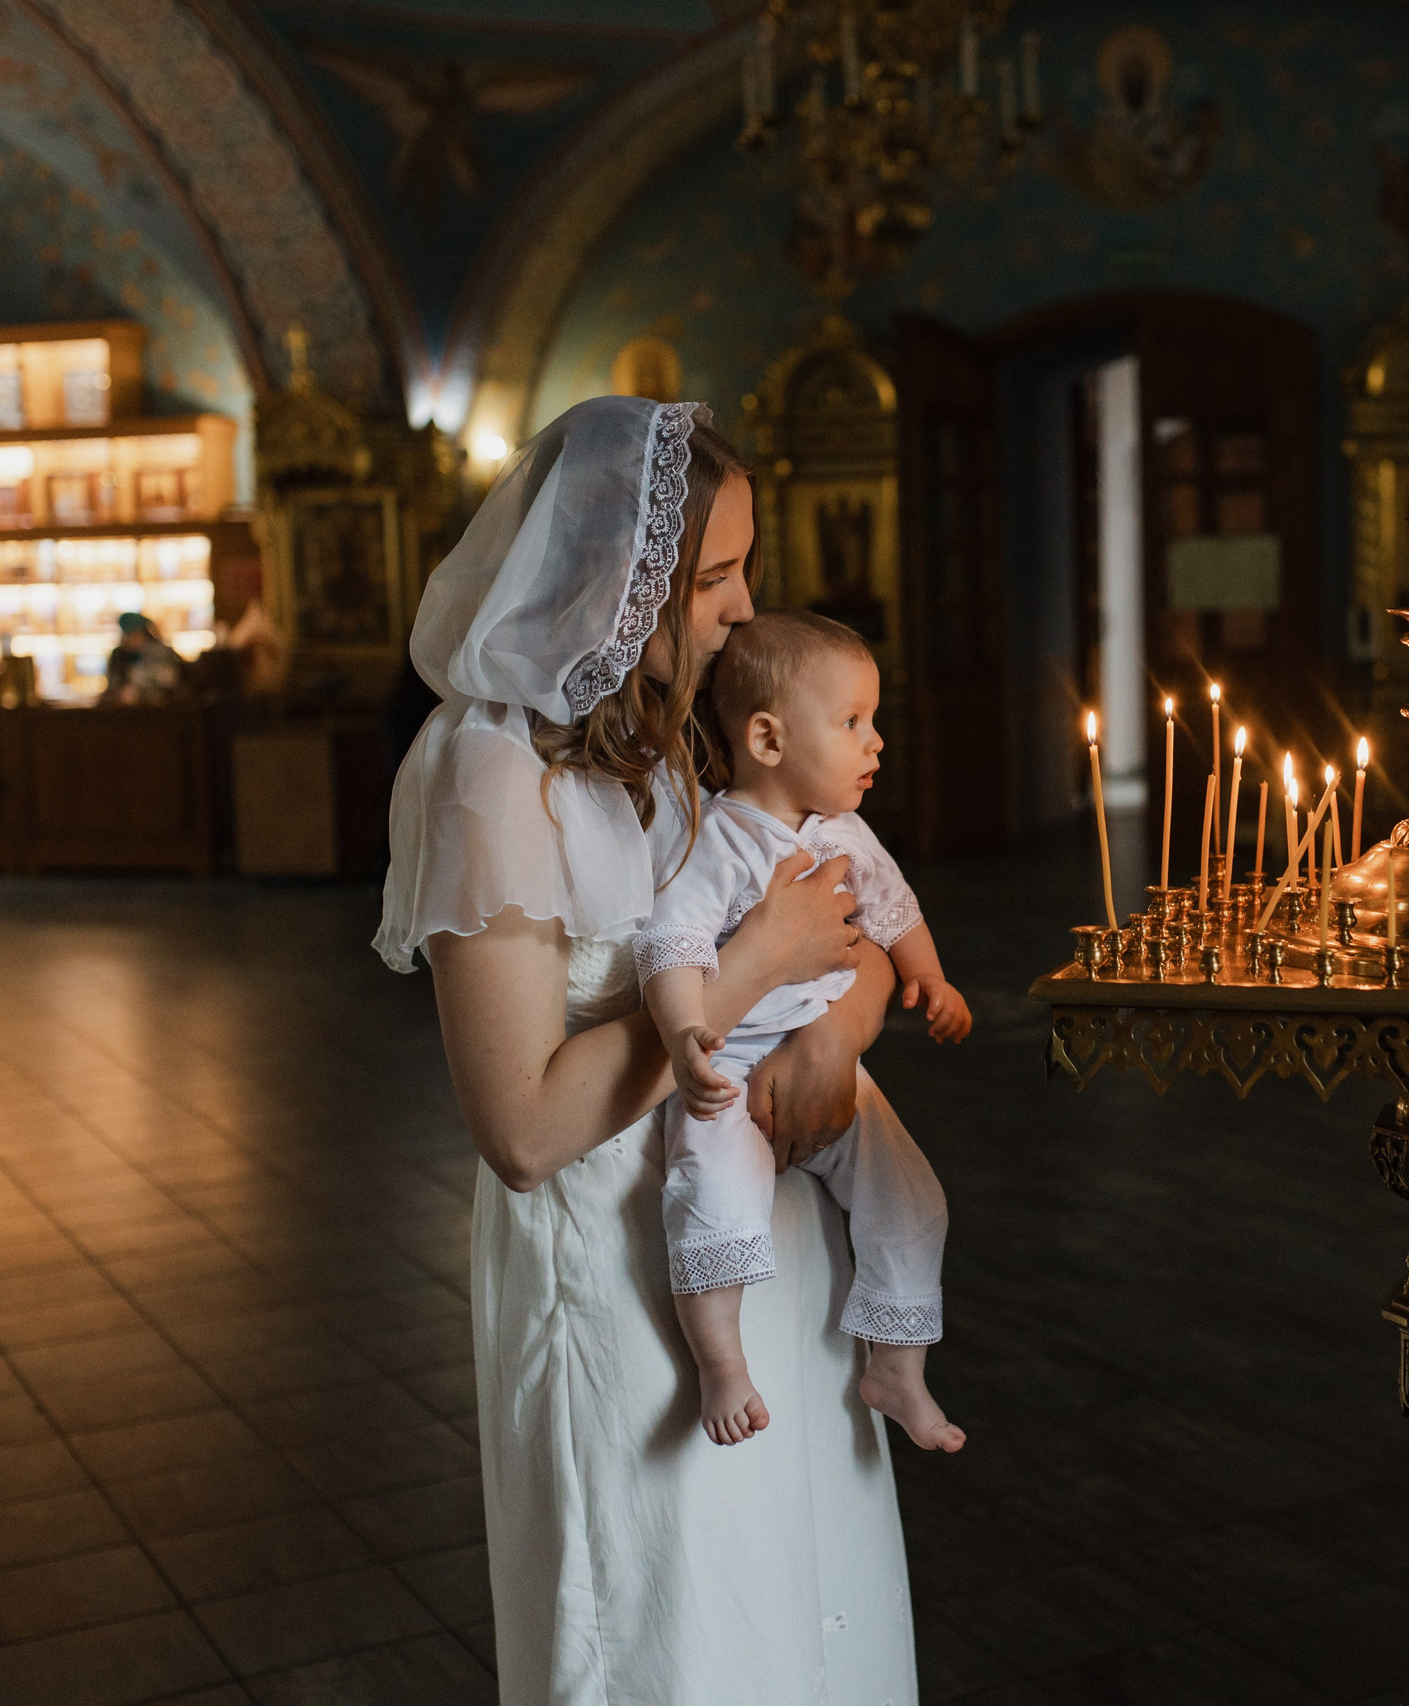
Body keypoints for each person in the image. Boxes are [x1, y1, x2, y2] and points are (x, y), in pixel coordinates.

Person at [375, 398, 918, 1703]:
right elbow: (520, 1128)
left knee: (787, 1604)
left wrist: (831, 1036)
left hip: (752, 1241)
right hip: (608, 1270)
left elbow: (838, 940)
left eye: (746, 569)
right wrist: (742, 979)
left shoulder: (673, 746)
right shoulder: (488, 776)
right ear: (619, 581)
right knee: (666, 1626)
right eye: (716, 578)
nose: (744, 611)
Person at [636, 611, 970, 1453]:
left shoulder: (845, 833)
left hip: (828, 1064)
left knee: (912, 1194)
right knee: (715, 1196)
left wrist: (929, 977)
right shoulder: (718, 838)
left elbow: (894, 914)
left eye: (874, 720)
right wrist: (687, 1036)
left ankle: (896, 1367)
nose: (877, 742)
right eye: (853, 722)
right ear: (768, 738)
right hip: (728, 1063)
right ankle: (721, 1363)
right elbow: (672, 943)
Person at [102, 611, 183, 705]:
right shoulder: (119, 654)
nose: (129, 639)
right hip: (125, 711)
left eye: (133, 634)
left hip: (159, 710)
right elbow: (113, 682)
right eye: (127, 635)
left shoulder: (159, 652)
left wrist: (140, 693)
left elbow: (170, 680)